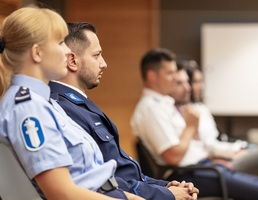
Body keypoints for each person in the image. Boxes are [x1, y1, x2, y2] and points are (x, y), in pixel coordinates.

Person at [0, 6, 144, 200]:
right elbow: (62, 193)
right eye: (60, 43)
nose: (68, 51)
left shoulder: (43, 102)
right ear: (37, 53)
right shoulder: (28, 108)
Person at [49, 22, 199, 200]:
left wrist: (165, 186)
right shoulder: (63, 109)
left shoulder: (78, 104)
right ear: (73, 61)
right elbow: (100, 180)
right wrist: (166, 194)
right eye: (96, 55)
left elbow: (125, 172)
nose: (104, 64)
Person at [130, 48, 258, 200]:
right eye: (170, 73)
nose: (174, 78)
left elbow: (193, 145)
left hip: (204, 167)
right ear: (151, 76)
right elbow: (173, 157)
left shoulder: (164, 105)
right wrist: (190, 126)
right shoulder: (151, 108)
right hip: (190, 173)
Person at [176, 59, 258, 200]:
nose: (200, 86)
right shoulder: (186, 114)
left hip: (219, 159)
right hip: (215, 164)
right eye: (196, 82)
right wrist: (232, 153)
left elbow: (212, 142)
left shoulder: (200, 109)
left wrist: (237, 148)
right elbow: (205, 147)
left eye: (200, 81)